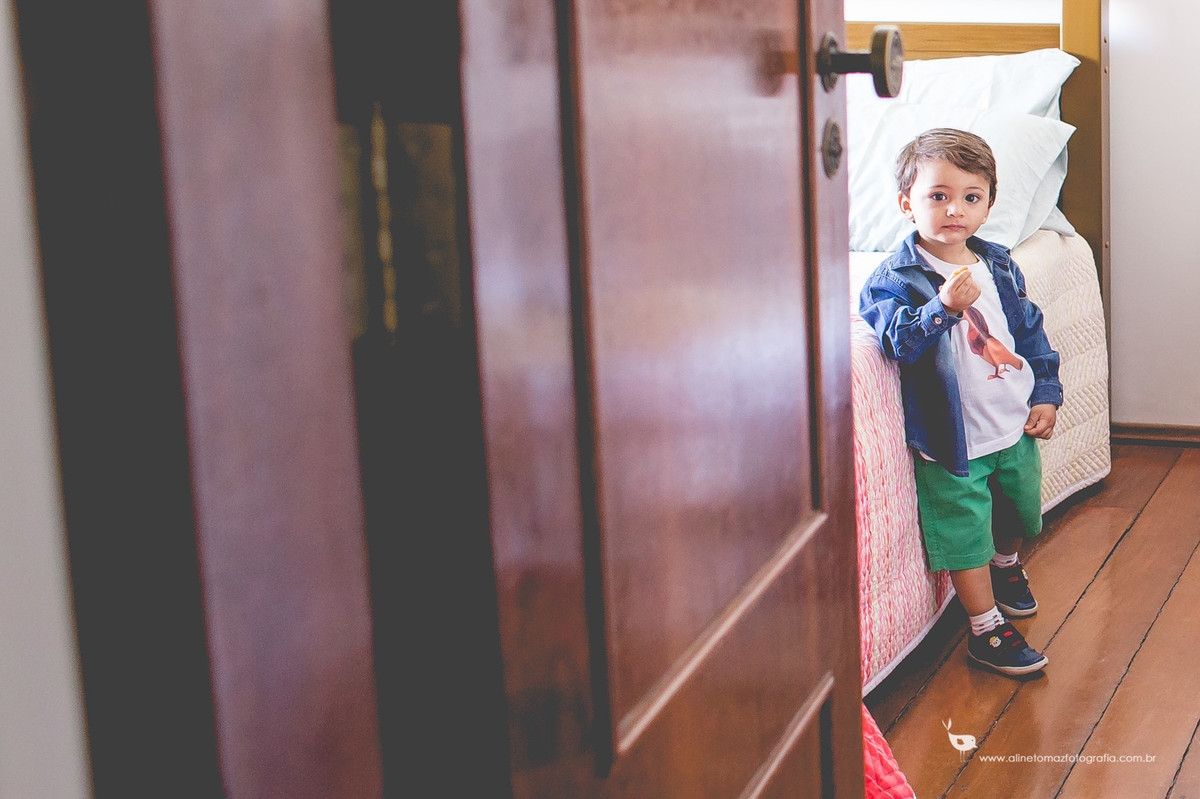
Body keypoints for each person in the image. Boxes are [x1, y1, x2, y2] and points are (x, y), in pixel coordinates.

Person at [858, 128, 1063, 677]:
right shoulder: (893, 278)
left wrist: (1045, 392)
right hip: (952, 441)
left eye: (971, 197)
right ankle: (985, 629)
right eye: (938, 195)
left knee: (1019, 509)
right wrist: (942, 308)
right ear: (907, 204)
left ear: (989, 205)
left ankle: (1006, 562)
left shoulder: (999, 263)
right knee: (965, 532)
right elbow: (897, 342)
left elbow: (1029, 331)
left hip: (1011, 423)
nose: (955, 210)